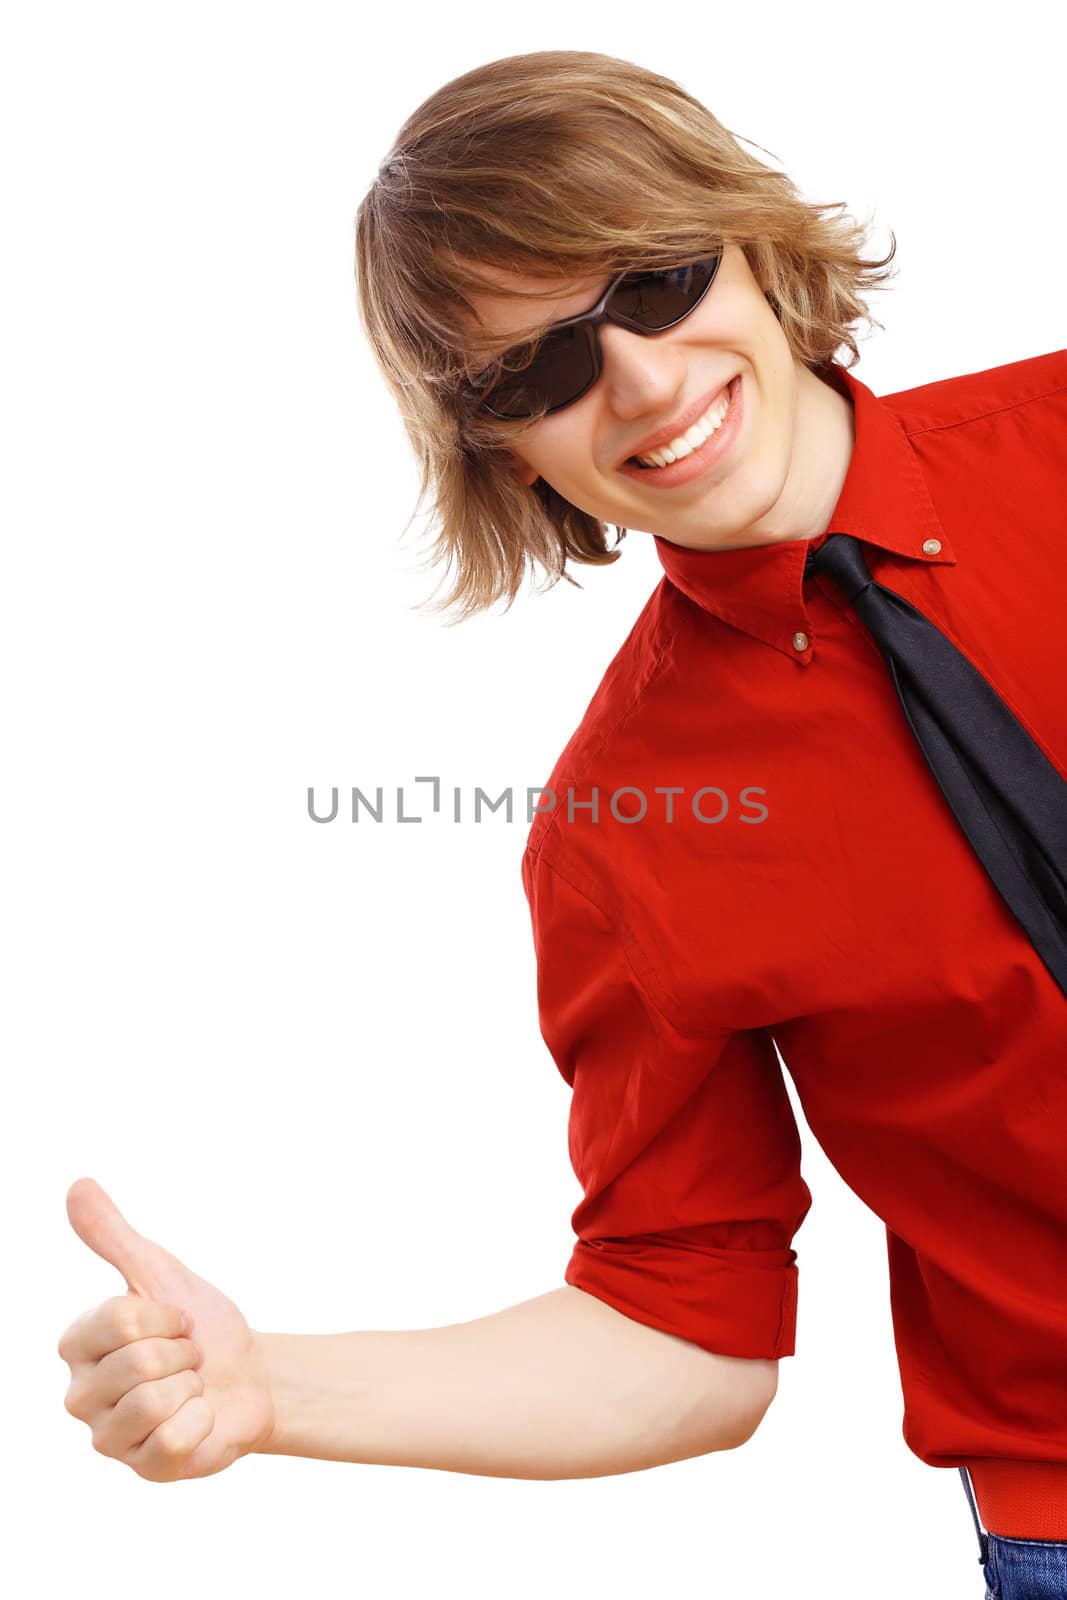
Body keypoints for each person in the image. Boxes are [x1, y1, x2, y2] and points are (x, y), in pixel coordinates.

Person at [57, 49, 1067, 1597]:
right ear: (503, 452)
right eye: (541, 371)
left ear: (748, 237)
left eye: (657, 282)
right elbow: (688, 1330)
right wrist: (272, 1388)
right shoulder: (625, 828)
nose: (647, 385)